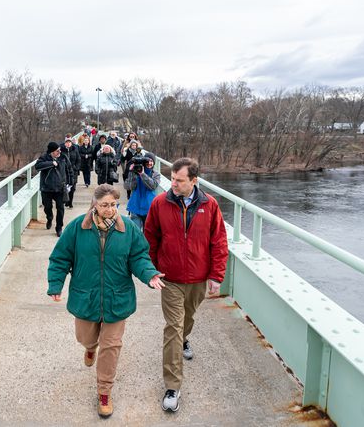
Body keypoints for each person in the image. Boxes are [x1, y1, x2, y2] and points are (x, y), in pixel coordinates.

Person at [47, 184, 166, 418]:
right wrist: (55, 284)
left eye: (113, 204)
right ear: (95, 204)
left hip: (117, 298)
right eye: (104, 205)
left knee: (111, 346)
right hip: (86, 297)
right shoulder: (77, 228)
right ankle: (90, 348)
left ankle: (104, 392)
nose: (109, 209)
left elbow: (139, 257)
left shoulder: (129, 229)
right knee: (85, 337)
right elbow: (60, 258)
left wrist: (149, 273)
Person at [143, 157, 229, 413]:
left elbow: (219, 242)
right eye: (172, 179)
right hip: (169, 278)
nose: (173, 184)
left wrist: (216, 275)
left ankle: (185, 338)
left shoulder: (210, 205)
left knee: (186, 320)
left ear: (194, 181)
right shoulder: (160, 203)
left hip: (198, 278)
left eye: (179, 180)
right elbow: (150, 238)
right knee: (173, 327)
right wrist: (151, 270)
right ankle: (172, 385)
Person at [35, 141, 74, 237]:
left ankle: (59, 227)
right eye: (57, 151)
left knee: (60, 208)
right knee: (47, 207)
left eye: (59, 150)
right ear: (51, 152)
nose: (59, 152)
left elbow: (69, 169)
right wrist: (51, 163)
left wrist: (70, 183)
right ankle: (49, 217)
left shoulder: (63, 157)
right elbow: (37, 166)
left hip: (60, 188)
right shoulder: (44, 157)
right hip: (46, 188)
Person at [124, 152, 159, 230]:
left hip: (149, 207)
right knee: (136, 232)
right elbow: (128, 187)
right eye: (147, 161)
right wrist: (130, 173)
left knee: (148, 232)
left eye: (151, 161)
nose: (149, 163)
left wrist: (142, 174)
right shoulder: (135, 172)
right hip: (135, 205)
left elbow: (152, 186)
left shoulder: (155, 174)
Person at [60, 137, 81, 208]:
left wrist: (76, 167)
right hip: (64, 172)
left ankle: (70, 202)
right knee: (64, 187)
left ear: (71, 143)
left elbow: (78, 159)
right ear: (65, 143)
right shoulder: (61, 151)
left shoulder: (75, 150)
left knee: (72, 187)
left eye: (69, 142)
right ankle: (65, 200)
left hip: (73, 171)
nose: (68, 144)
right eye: (67, 142)